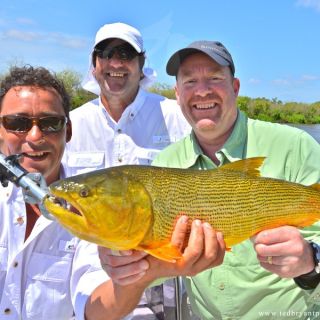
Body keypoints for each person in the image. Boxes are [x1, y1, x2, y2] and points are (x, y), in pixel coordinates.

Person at [105, 41, 320, 320]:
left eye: (215, 78)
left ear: (236, 87)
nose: (202, 90)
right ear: (178, 94)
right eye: (190, 81)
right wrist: (125, 263)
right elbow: (153, 271)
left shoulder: (296, 146)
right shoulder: (164, 165)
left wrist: (311, 260)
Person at [0, 65, 215, 320]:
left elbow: (94, 305)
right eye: (17, 123)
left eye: (50, 123)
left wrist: (138, 278)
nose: (35, 136)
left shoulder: (89, 210)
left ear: (68, 131)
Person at [63, 22, 192, 319]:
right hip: (90, 269)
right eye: (106, 53)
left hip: (165, 272)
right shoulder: (71, 123)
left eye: (126, 54)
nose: (116, 63)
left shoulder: (176, 116)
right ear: (94, 65)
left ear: (141, 65)